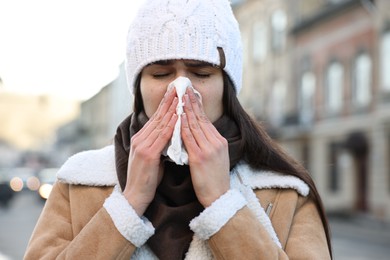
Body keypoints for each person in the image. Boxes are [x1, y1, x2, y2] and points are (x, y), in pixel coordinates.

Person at [24, 0, 332, 259]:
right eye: (160, 73)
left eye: (201, 72)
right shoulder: (81, 180)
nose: (181, 90)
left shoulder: (285, 192)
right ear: (138, 88)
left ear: (226, 88)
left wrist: (222, 203)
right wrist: (128, 204)